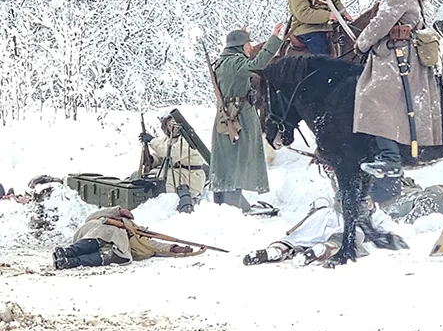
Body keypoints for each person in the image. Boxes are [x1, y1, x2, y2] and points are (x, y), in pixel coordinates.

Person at [353, 0, 442, 179]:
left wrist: (361, 44)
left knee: (372, 95)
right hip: (399, 53)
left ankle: (390, 158)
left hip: (401, 56)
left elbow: (381, 23)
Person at [209, 23, 283, 211]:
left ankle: (223, 204)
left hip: (226, 117)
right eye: (248, 44)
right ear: (240, 46)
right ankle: (232, 206)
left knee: (226, 162)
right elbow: (257, 65)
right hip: (238, 119)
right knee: (237, 163)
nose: (250, 48)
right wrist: (274, 39)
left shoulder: (222, 62)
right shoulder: (235, 63)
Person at [242, 200, 407, 266]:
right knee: (348, 237)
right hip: (342, 222)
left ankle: (279, 250)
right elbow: (386, 228)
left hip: (325, 218)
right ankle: (324, 249)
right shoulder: (370, 215)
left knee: (299, 238)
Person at [53, 207, 195, 270]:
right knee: (103, 235)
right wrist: (117, 211)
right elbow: (90, 217)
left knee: (107, 253)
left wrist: (174, 248)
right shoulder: (109, 219)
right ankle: (67, 253)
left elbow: (154, 245)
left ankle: (69, 262)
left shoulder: (140, 237)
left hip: (118, 250)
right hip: (96, 234)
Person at [139, 110, 206, 214]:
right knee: (149, 176)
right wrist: (151, 160)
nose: (173, 127)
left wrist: (152, 141)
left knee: (165, 178)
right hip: (179, 174)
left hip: (192, 176)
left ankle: (170, 207)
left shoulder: (187, 140)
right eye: (170, 125)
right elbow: (162, 158)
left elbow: (171, 153)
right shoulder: (167, 140)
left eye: (175, 124)